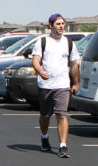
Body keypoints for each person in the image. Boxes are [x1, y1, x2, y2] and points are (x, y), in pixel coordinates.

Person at [31, 13, 80, 157]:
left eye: (63, 24)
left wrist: (75, 82)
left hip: (62, 84)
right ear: (50, 26)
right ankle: (44, 136)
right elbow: (35, 61)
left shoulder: (69, 43)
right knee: (45, 115)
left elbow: (74, 64)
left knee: (61, 114)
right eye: (58, 24)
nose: (61, 26)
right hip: (46, 85)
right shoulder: (42, 42)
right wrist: (40, 71)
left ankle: (63, 146)